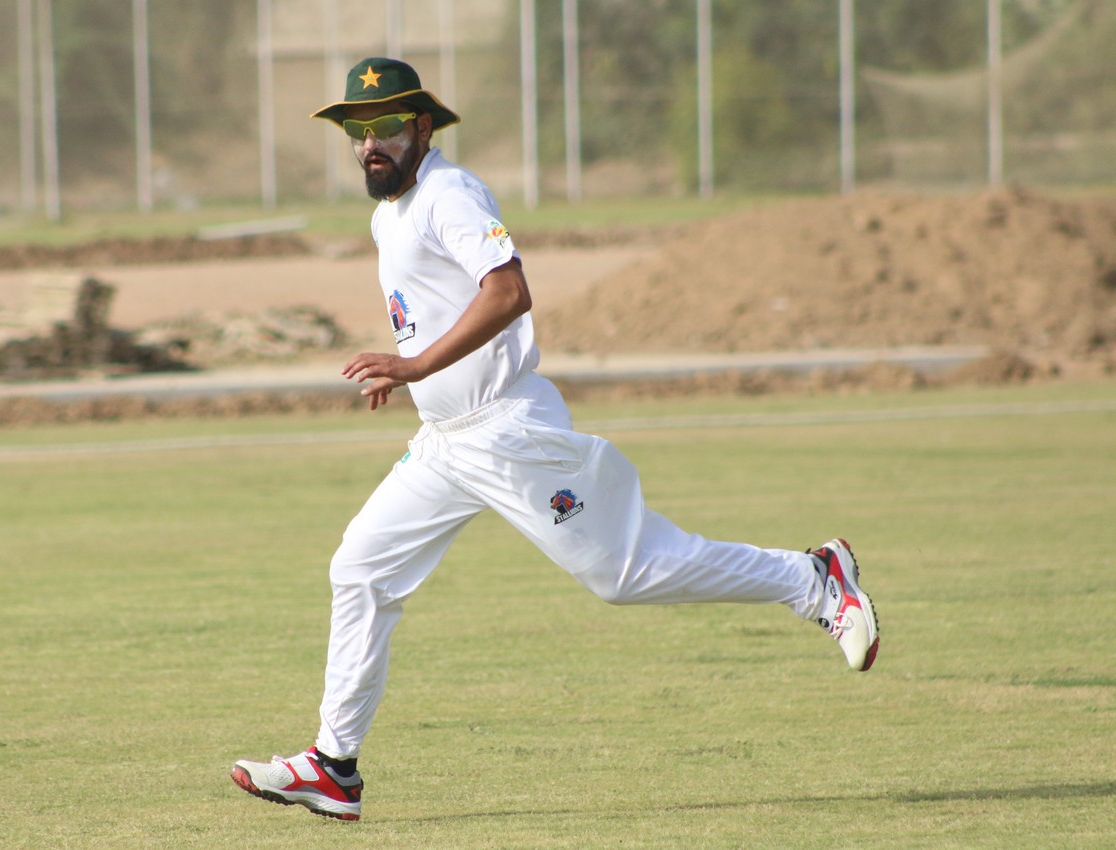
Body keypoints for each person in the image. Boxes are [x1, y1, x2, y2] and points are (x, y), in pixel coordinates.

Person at [230, 57, 880, 822]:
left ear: (423, 127)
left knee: (626, 574)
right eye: (358, 130)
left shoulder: (449, 192)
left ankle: (813, 579)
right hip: (445, 441)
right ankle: (333, 767)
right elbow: (435, 313)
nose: (371, 144)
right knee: (360, 569)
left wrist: (414, 365)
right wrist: (411, 373)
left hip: (506, 431)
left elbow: (508, 291)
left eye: (388, 126)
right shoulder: (388, 214)